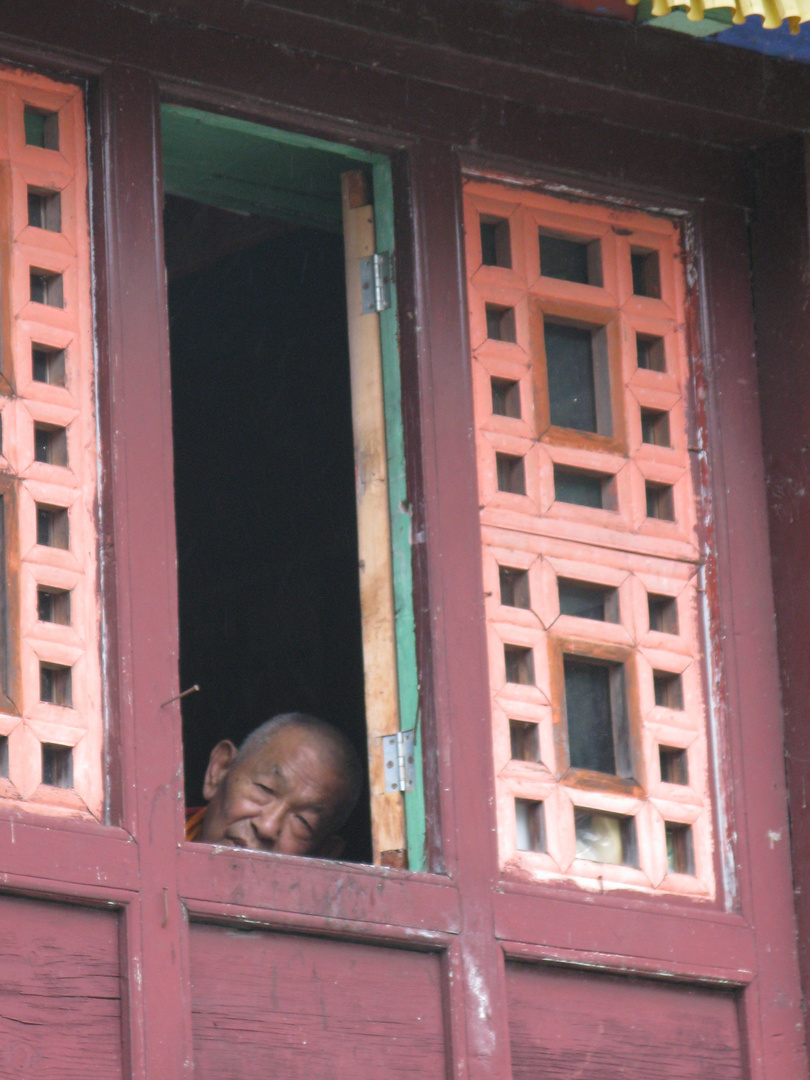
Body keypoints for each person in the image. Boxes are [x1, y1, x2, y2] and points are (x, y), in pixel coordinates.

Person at [186, 712, 363, 859]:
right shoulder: (159, 839)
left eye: (302, 821)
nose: (267, 827)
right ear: (219, 770)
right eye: (264, 789)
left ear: (325, 853)